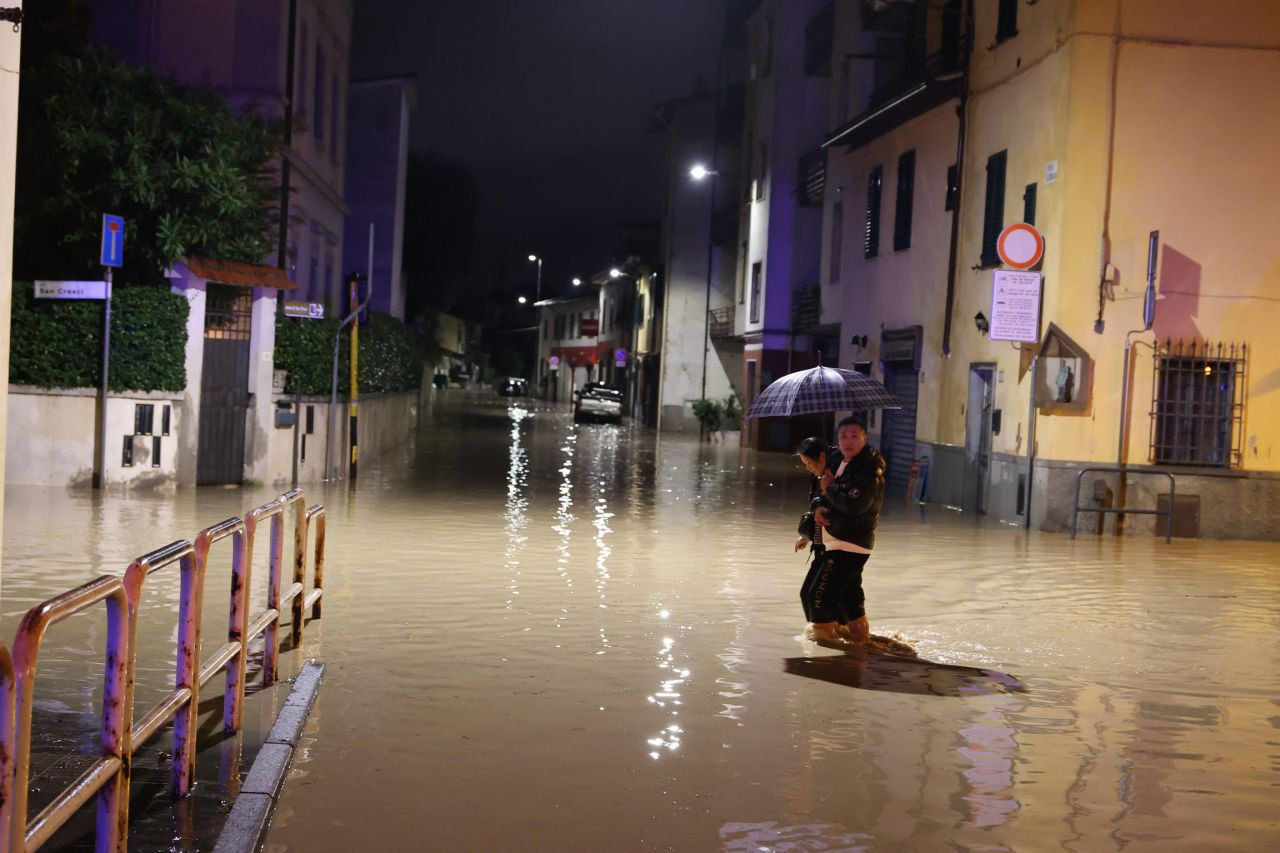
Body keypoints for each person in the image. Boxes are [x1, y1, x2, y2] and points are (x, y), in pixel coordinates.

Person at [803, 416, 885, 644]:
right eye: (843, 436)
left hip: (850, 543)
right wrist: (818, 506)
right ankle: (860, 648)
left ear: (864, 439)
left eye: (853, 436)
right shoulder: (838, 460)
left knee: (817, 598)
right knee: (849, 604)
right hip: (836, 540)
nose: (848, 441)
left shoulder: (869, 471)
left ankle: (825, 658)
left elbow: (854, 505)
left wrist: (830, 488)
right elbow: (822, 493)